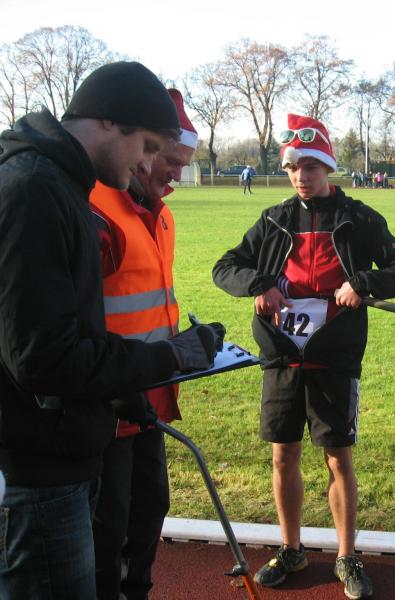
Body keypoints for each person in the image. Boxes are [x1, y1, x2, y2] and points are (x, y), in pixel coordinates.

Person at [0, 61, 220, 599]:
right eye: (147, 146)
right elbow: (42, 357)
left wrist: (123, 390)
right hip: (39, 464)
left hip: (72, 436)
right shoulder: (35, 189)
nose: (149, 164)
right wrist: (169, 358)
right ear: (107, 121)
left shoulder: (56, 184)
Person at [213, 113, 395, 600]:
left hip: (334, 357)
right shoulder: (274, 219)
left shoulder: (359, 218)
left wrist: (362, 283)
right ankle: (292, 549)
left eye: (309, 166)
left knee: (337, 458)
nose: (300, 176)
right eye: (292, 168)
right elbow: (225, 266)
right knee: (282, 456)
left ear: (327, 166)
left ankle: (347, 557)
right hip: (282, 357)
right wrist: (259, 284)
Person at [89, 89, 207, 600]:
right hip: (106, 403)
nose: (177, 175)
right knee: (108, 523)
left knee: (150, 508)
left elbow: (150, 300)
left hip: (151, 397)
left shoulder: (162, 215)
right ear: (144, 148)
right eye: (170, 160)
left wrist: (187, 344)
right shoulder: (96, 210)